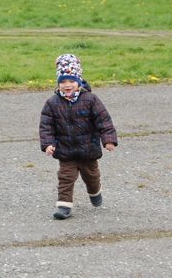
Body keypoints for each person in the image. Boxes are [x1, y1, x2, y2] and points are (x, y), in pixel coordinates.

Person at [39, 54, 117, 220]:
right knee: (65, 178)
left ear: (79, 81)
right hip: (66, 151)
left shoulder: (90, 100)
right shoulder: (52, 103)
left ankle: (95, 191)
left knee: (92, 177)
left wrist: (108, 139)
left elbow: (103, 120)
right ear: (58, 83)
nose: (67, 85)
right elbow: (46, 126)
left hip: (88, 150)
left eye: (71, 81)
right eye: (63, 82)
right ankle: (64, 206)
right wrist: (48, 144)